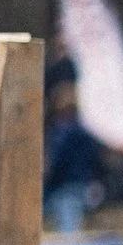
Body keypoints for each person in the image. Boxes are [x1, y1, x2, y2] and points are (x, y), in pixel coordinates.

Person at [42, 84, 105, 235]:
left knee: (67, 233)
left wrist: (47, 178)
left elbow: (58, 161)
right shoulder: (85, 132)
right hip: (84, 185)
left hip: (65, 187)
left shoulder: (62, 132)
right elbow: (97, 159)